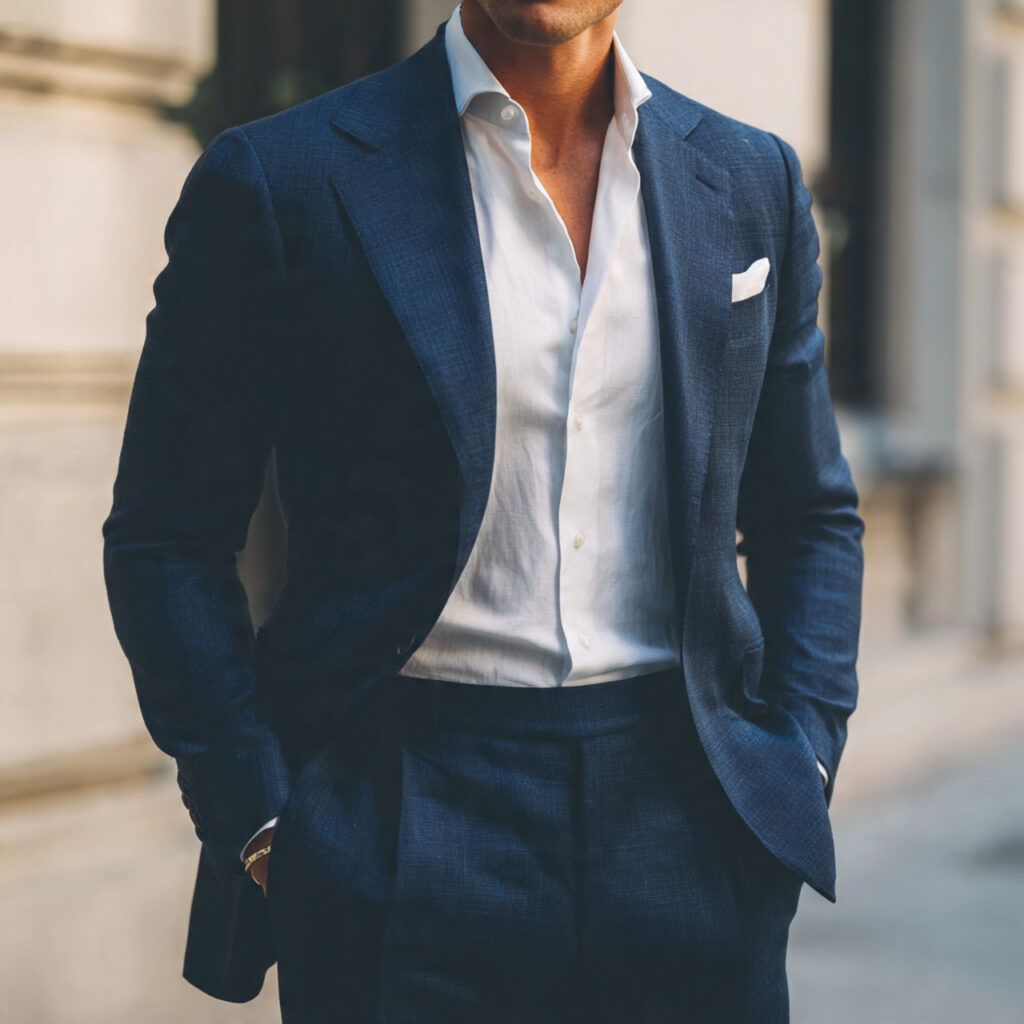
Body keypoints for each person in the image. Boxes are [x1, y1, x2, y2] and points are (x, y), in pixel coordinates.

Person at [102, 1, 864, 1020]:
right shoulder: (282, 178)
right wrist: (262, 820)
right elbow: (166, 535)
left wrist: (798, 757)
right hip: (401, 819)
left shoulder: (751, 180)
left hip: (686, 816)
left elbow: (807, 511)